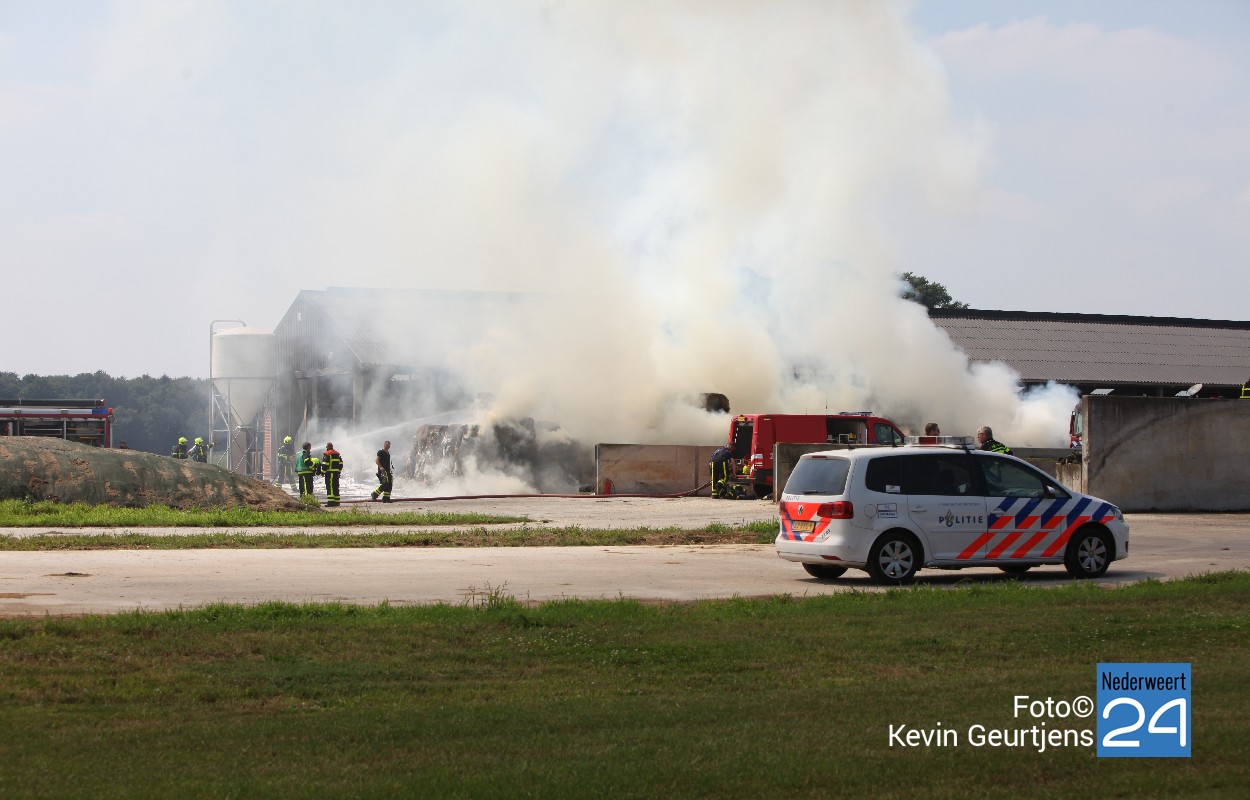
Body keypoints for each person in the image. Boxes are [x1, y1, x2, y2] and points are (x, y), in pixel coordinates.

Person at [321, 442, 343, 507]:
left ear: (327, 447)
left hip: (329, 474)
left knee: (330, 487)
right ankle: (337, 502)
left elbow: (325, 464)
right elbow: (341, 464)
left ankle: (331, 502)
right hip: (336, 474)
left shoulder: (327, 454)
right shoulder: (337, 454)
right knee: (336, 487)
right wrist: (339, 472)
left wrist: (322, 472)